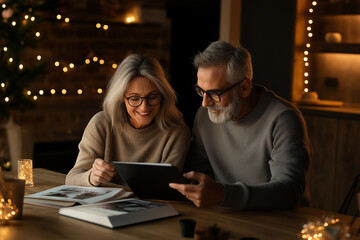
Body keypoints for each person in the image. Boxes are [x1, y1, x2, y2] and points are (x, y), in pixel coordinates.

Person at [169, 41, 311, 210]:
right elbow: (194, 173)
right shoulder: (205, 117)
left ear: (244, 88)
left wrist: (222, 195)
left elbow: (289, 191)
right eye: (201, 91)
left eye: (214, 93)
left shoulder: (283, 119)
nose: (205, 103)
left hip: (281, 223)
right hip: (228, 217)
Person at [66, 54, 191, 187]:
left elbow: (167, 188)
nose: (144, 107)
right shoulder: (101, 123)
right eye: (135, 98)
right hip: (105, 205)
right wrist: (91, 177)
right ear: (121, 98)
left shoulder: (177, 132)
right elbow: (72, 178)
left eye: (152, 97)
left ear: (163, 95)